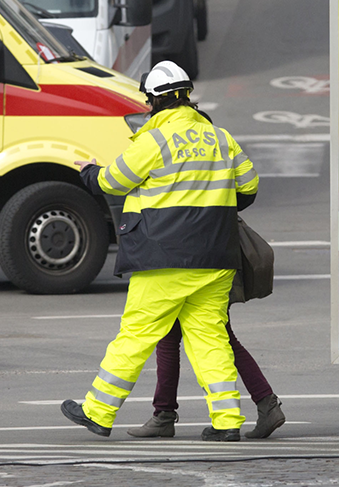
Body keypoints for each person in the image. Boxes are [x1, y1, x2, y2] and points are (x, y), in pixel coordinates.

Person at [61, 60, 259, 441]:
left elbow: (112, 181)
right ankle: (227, 421)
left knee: (136, 333)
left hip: (163, 258)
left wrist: (88, 171)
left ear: (154, 101)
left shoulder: (154, 141)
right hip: (215, 258)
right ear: (187, 98)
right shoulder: (221, 138)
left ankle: (98, 411)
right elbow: (248, 188)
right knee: (210, 338)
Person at [127, 317, 285, 439]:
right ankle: (266, 402)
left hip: (182, 285)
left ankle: (164, 414)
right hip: (214, 284)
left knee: (168, 340)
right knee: (224, 337)